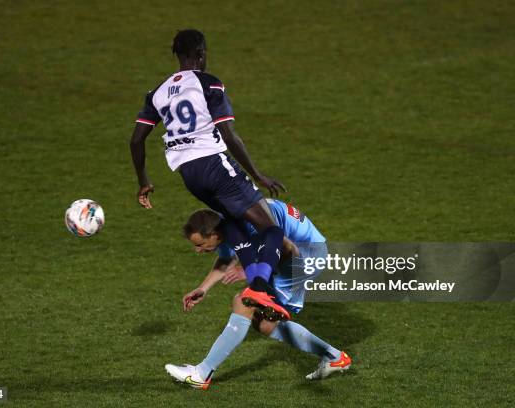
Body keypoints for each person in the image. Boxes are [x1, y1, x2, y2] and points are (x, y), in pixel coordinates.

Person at [130, 29, 288, 318]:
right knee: (272, 229)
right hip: (215, 165)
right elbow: (229, 135)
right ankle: (261, 287)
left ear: (177, 55)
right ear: (201, 54)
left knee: (234, 228)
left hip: (189, 175)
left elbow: (136, 140)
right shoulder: (209, 84)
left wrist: (144, 182)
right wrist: (257, 175)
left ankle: (261, 295)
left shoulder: (157, 93)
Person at [164, 199, 352, 389]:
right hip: (294, 252)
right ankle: (335, 357)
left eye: (200, 244)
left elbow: (289, 250)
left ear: (213, 234)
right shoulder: (223, 223)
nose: (197, 251)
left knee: (245, 302)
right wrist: (203, 288)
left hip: (306, 254)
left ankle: (202, 373)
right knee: (262, 322)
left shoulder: (251, 225)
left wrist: (247, 271)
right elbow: (226, 256)